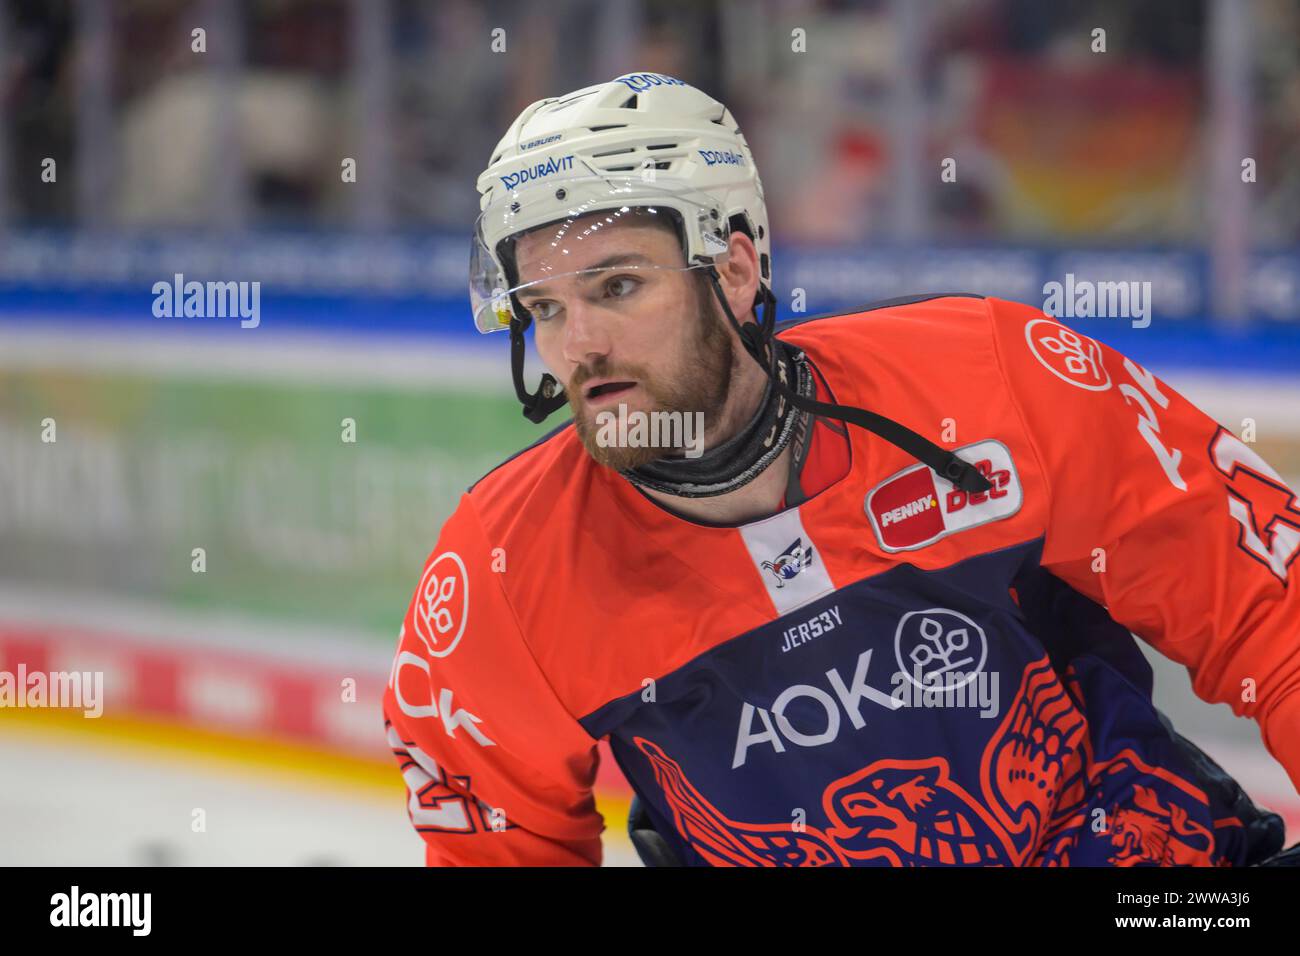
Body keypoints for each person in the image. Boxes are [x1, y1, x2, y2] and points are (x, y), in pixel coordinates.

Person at [381, 71, 1300, 867]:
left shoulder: (991, 377)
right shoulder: (503, 572)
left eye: (618, 287)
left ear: (735, 267)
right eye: (545, 307)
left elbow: (1271, 614)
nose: (579, 344)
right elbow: (495, 846)